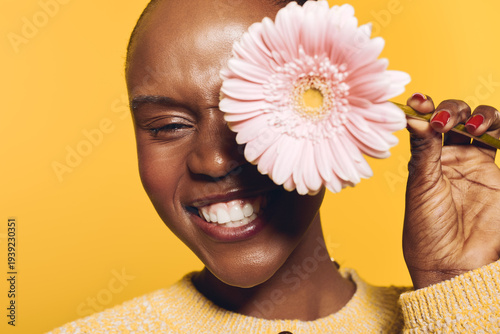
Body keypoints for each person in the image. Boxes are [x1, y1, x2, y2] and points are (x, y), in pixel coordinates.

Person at [48, 0, 500, 332]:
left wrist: (454, 289)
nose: (214, 159)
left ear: (330, 111)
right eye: (167, 125)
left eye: (247, 115)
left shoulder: (457, 312)